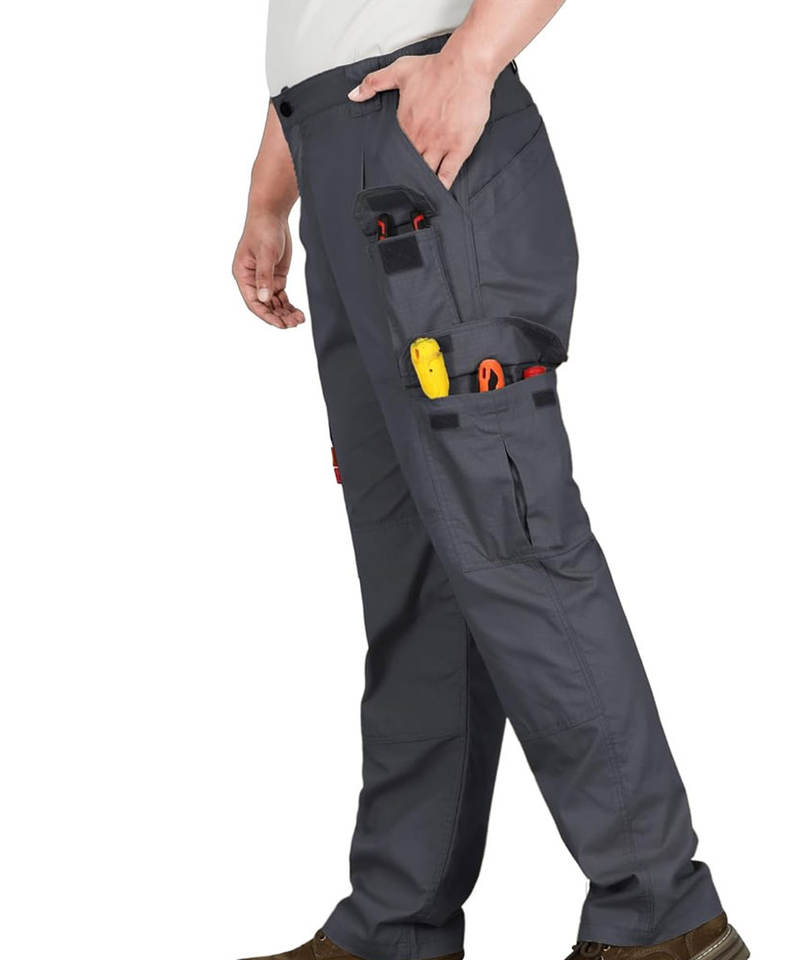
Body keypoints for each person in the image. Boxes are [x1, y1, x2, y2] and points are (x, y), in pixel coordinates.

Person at [232, 2, 749, 959]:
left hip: (423, 145)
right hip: (332, 153)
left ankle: (662, 915)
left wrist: (470, 61)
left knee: (514, 543)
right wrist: (272, 195)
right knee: (414, 575)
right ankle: (397, 922)